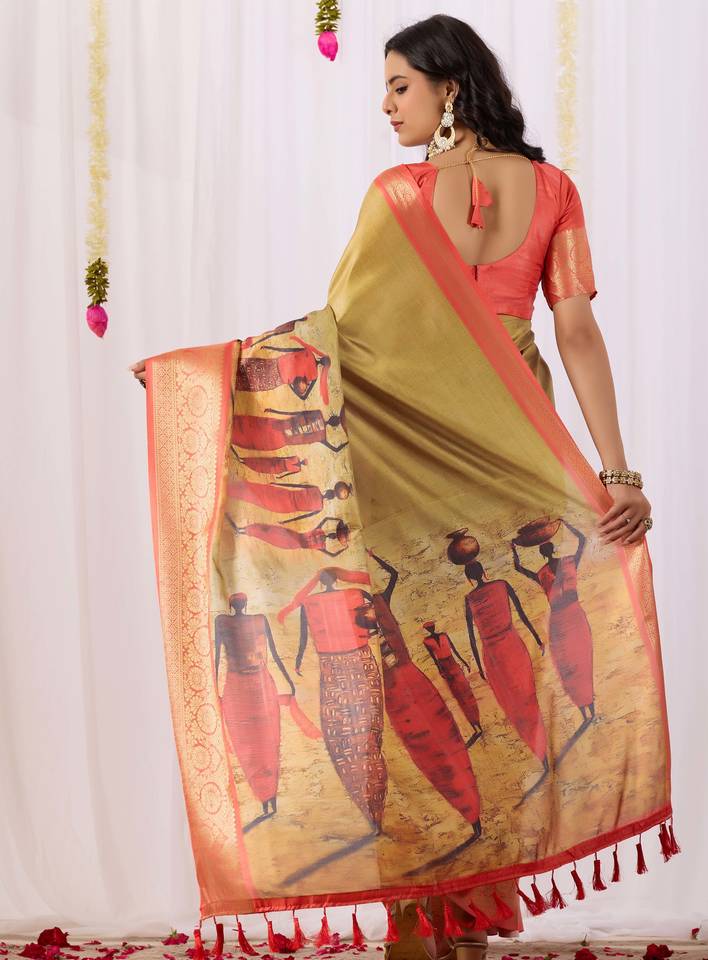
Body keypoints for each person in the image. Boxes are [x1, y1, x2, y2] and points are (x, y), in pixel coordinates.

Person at [130, 14, 661, 960]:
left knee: (403, 666)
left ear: (449, 87)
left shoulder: (401, 195)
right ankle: (471, 928)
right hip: (517, 445)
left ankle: (422, 932)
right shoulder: (553, 190)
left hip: (407, 456)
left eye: (399, 85)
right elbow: (576, 331)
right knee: (499, 685)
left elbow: (338, 337)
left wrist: (206, 376)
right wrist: (615, 473)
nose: (385, 105)